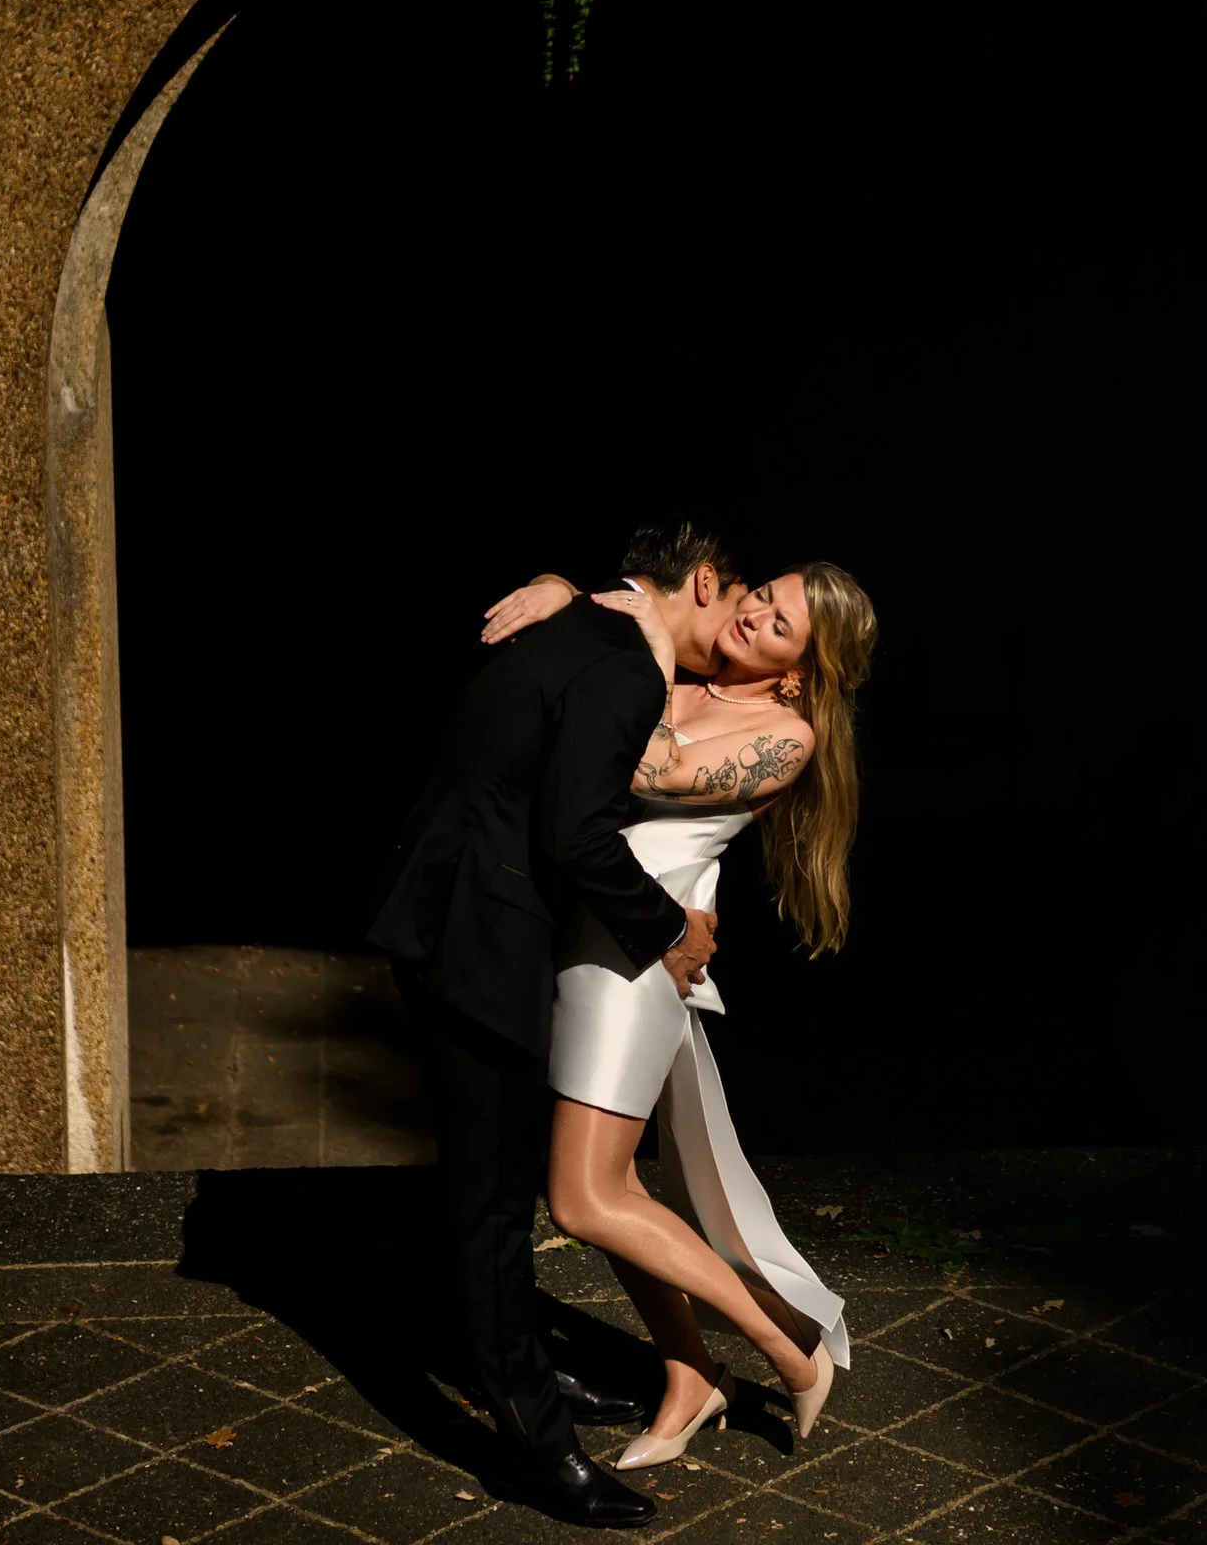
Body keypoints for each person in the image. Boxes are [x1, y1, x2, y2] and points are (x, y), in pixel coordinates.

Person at [368, 521, 737, 1527]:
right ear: (704, 581)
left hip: (440, 906)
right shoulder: (624, 669)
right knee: (492, 1205)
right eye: (736, 603)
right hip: (478, 940)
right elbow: (578, 837)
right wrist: (672, 930)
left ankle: (517, 1366)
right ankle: (537, 1450)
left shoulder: (566, 622)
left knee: (496, 1182)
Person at [480, 551, 876, 1469]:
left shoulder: (784, 736)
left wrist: (656, 653)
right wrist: (558, 587)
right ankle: (691, 1376)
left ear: (801, 670)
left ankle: (791, 1351)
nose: (753, 616)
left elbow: (648, 770)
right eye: (763, 597)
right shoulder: (686, 674)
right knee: (615, 1190)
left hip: (637, 968)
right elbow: (615, 621)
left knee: (581, 1199)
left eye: (779, 626)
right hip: (581, 940)